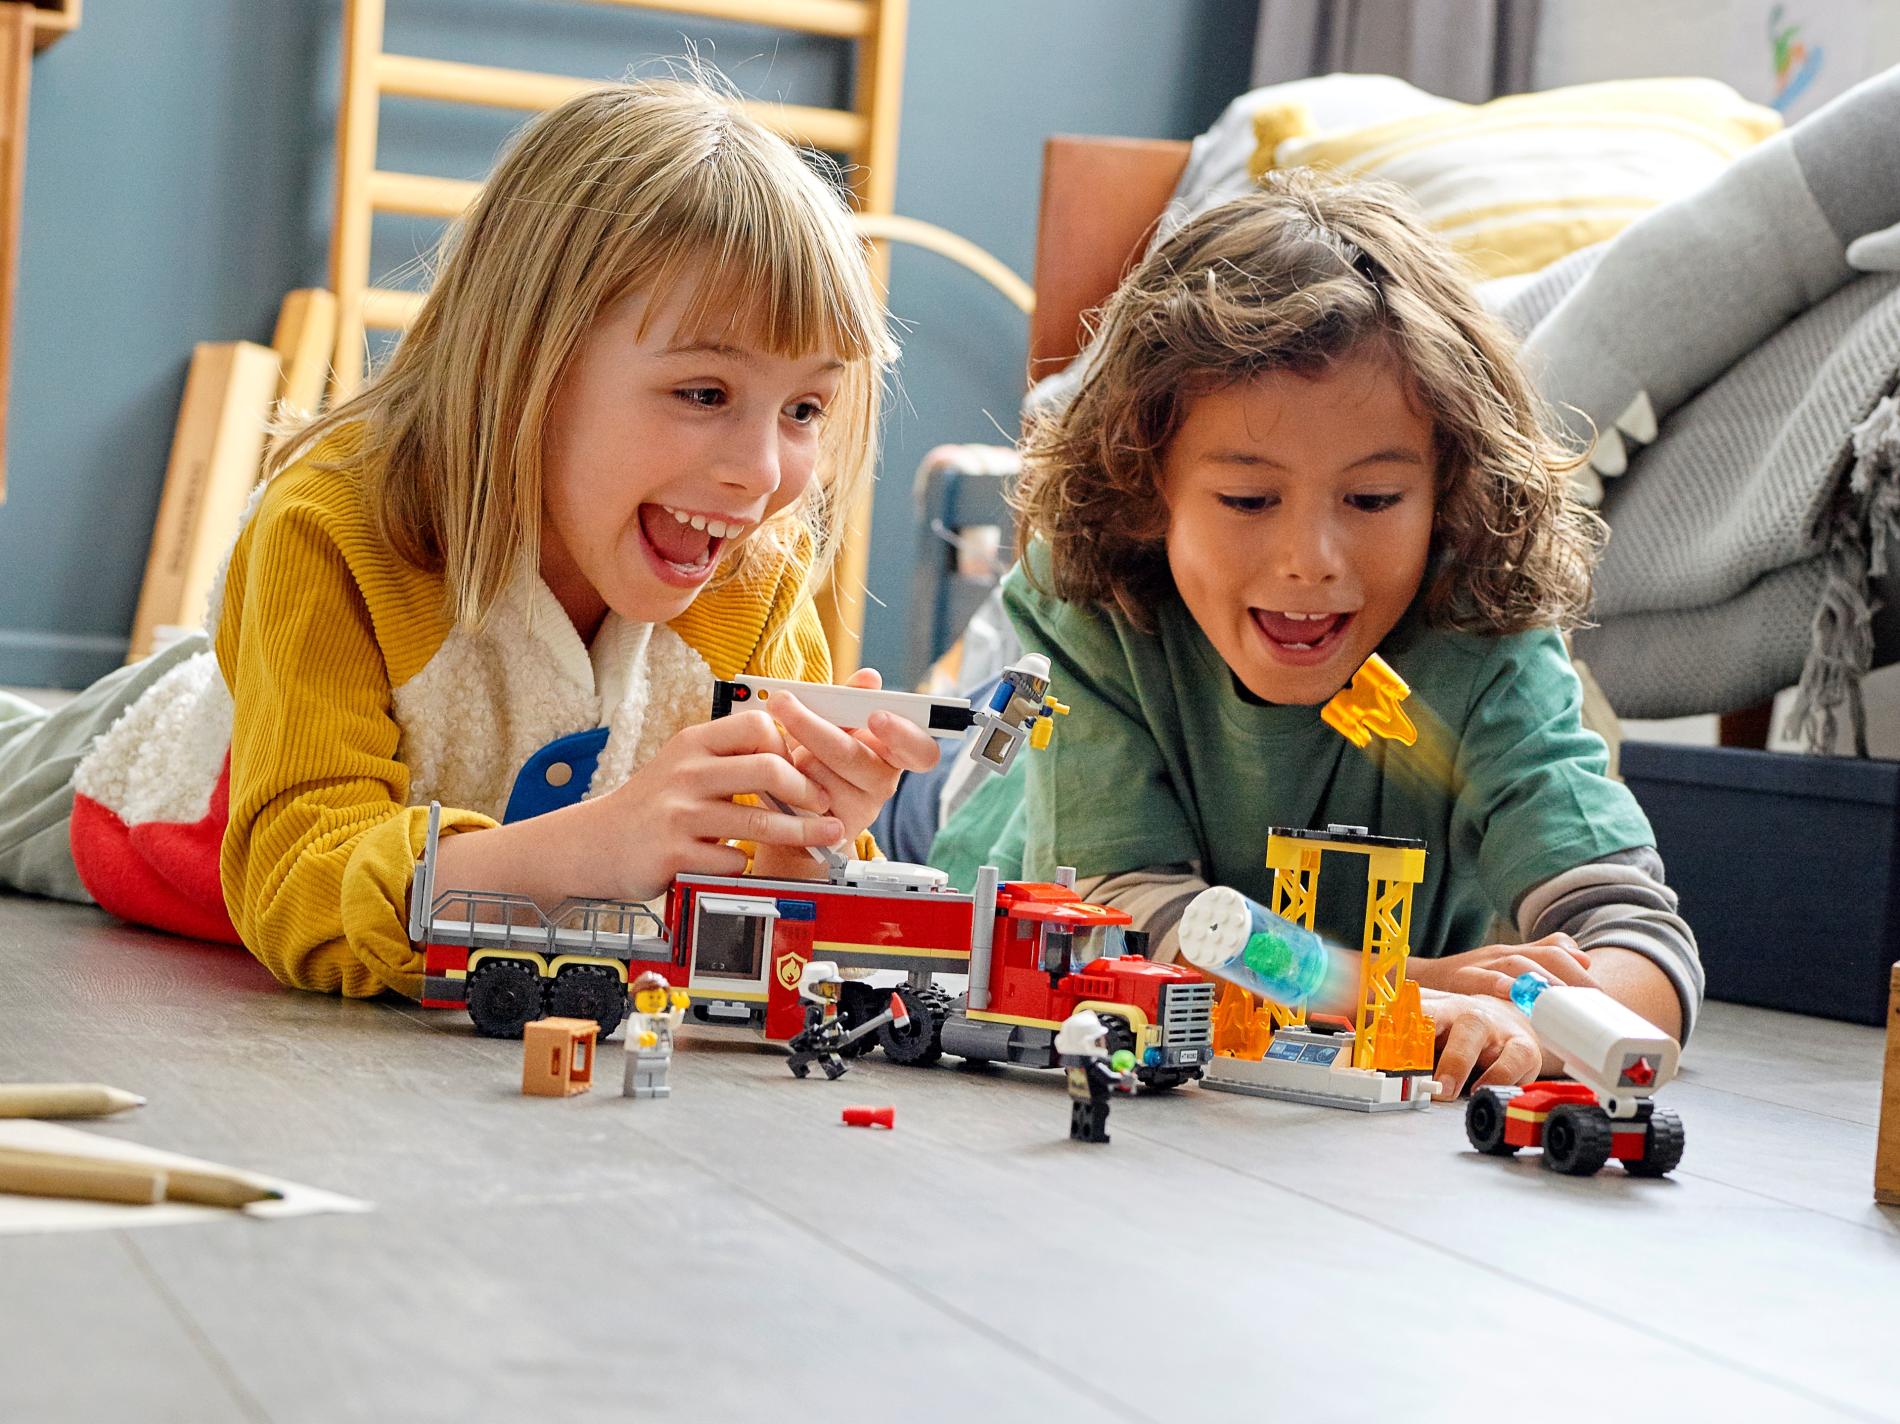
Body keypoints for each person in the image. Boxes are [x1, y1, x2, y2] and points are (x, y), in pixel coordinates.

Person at [0, 75, 938, 997]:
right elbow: (297, 889)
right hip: (140, 774)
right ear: (523, 361)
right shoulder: (330, 522)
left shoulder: (756, 576)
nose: (763, 473)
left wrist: (806, 842)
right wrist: (603, 844)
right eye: (704, 393)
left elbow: (761, 920)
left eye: (805, 408)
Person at [931, 174, 1702, 1099]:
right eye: (1248, 499)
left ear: (1448, 492)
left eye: (1372, 499)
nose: (1311, 562)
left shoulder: (1483, 632)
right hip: (988, 829)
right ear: (1148, 486)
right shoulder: (1087, 595)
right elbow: (1121, 923)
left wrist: (1525, 1019)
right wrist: (1395, 991)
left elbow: (1639, 942)